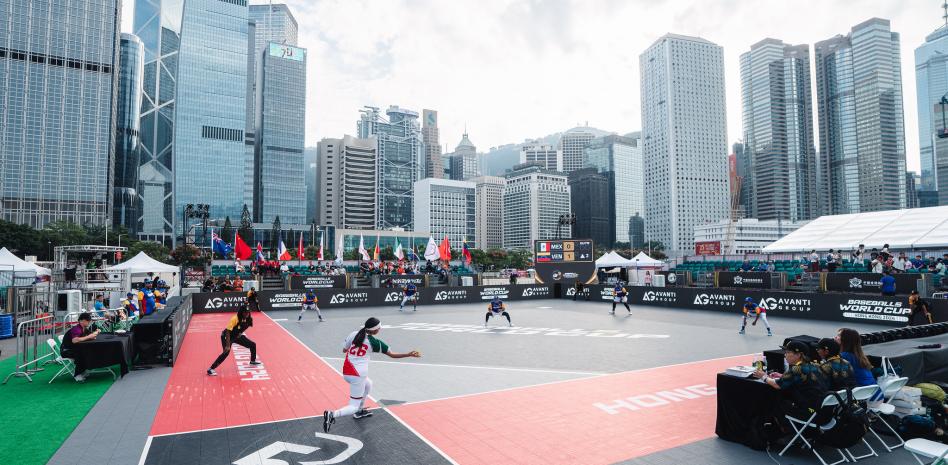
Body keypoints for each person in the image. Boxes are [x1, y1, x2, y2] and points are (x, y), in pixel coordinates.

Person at [323, 317, 420, 432]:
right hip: (357, 375)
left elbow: (344, 350)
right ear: (374, 330)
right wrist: (408, 354)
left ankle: (359, 411)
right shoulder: (375, 343)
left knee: (368, 384)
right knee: (353, 406)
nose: (380, 329)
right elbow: (392, 355)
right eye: (379, 328)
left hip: (347, 371)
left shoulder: (354, 334)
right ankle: (332, 414)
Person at [753, 341, 831, 426]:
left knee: (775, 401)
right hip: (824, 412)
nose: (785, 355)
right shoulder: (813, 365)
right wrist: (782, 376)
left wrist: (763, 376)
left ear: (798, 355)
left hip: (811, 414)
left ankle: (782, 429)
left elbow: (777, 385)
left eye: (788, 352)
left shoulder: (797, 369)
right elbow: (802, 378)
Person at [207, 307, 260, 376]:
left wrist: (240, 333)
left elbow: (245, 327)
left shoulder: (249, 319)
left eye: (248, 312)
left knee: (252, 344)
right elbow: (228, 331)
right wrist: (227, 345)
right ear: (241, 312)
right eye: (245, 312)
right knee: (226, 352)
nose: (247, 314)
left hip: (236, 336)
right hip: (227, 336)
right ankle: (211, 369)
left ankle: (252, 361)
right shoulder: (235, 319)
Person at [835, 327, 881, 402]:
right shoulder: (861, 357)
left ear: (846, 340)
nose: (835, 337)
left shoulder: (844, 356)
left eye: (839, 335)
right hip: (877, 396)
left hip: (865, 399)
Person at [61, 312, 100, 382]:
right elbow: (74, 340)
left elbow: (92, 336)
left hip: (73, 349)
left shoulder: (84, 329)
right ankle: (77, 374)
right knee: (82, 354)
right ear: (81, 321)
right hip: (66, 351)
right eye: (87, 320)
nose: (89, 322)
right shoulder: (76, 329)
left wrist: (96, 332)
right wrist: (89, 336)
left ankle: (83, 370)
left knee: (86, 351)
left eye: (89, 320)